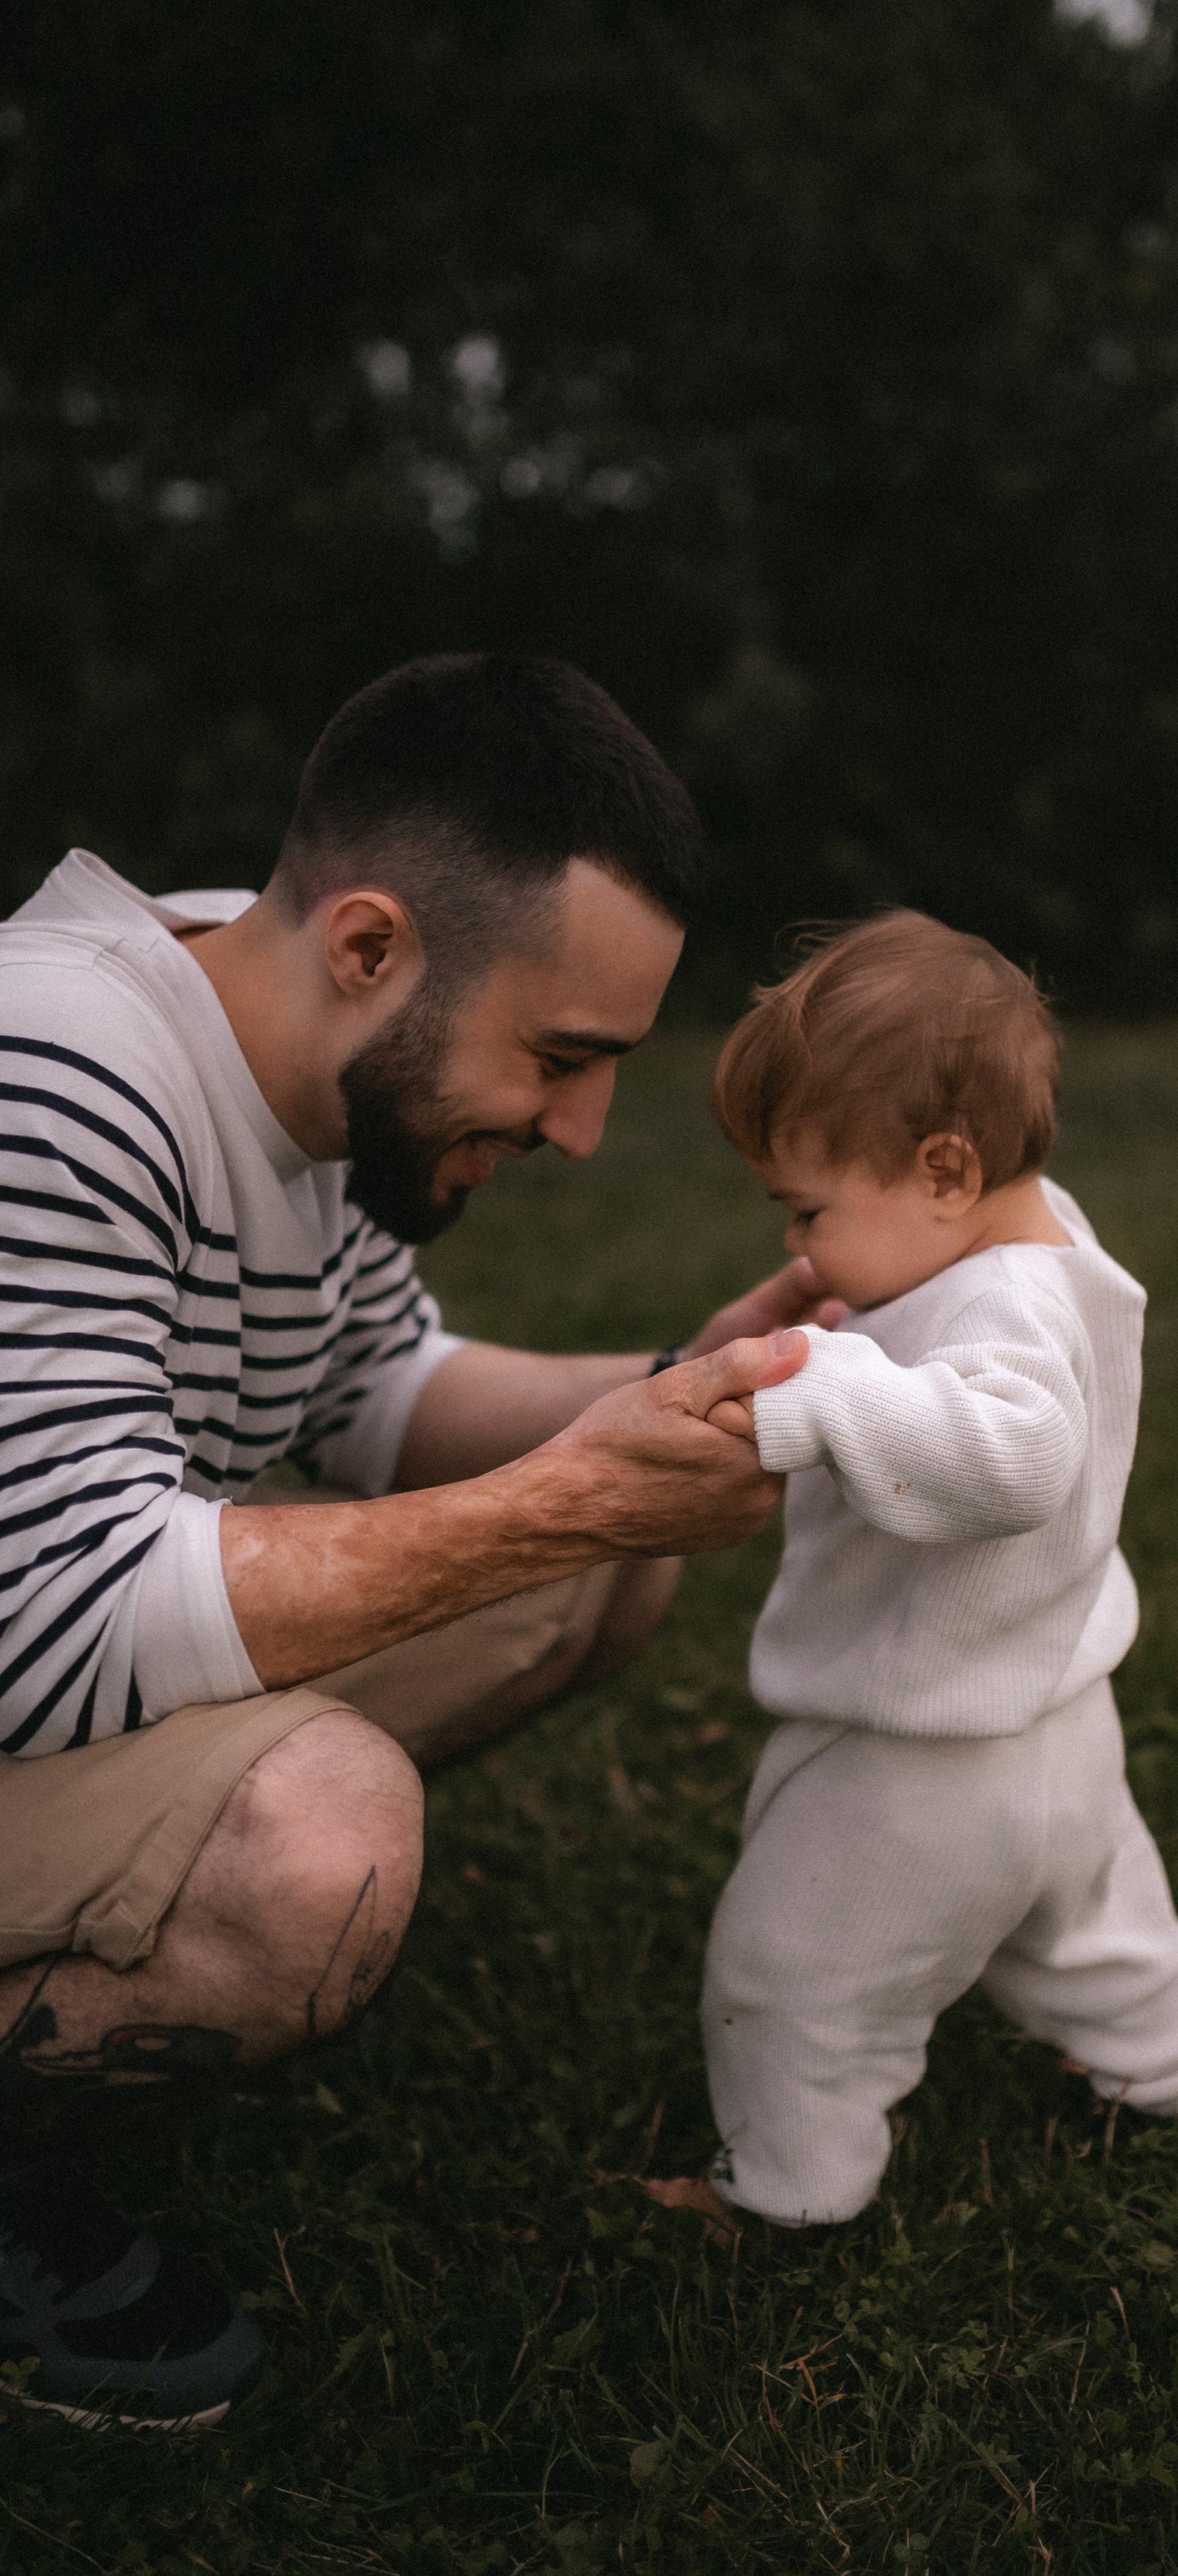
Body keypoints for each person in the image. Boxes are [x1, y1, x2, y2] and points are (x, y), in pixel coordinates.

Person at [0, 653, 827, 2426]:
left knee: (598, 1560)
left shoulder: (287, 1024)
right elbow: (51, 1615)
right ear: (372, 948)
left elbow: (379, 1387)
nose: (587, 1133)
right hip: (32, 1635)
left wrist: (720, 1385)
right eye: (560, 1058)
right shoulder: (57, 1063)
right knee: (322, 1854)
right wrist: (586, 1486)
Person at [644, 913, 1178, 2239]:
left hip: (918, 1764)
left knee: (791, 1972)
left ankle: (785, 2195)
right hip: (1056, 1728)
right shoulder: (1036, 1244)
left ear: (948, 1170)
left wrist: (829, 1384)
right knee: (1085, 1919)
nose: (798, 1249)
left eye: (809, 1209)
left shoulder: (996, 1310)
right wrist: (868, 1316)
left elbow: (1015, 1452)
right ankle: (1168, 2076)